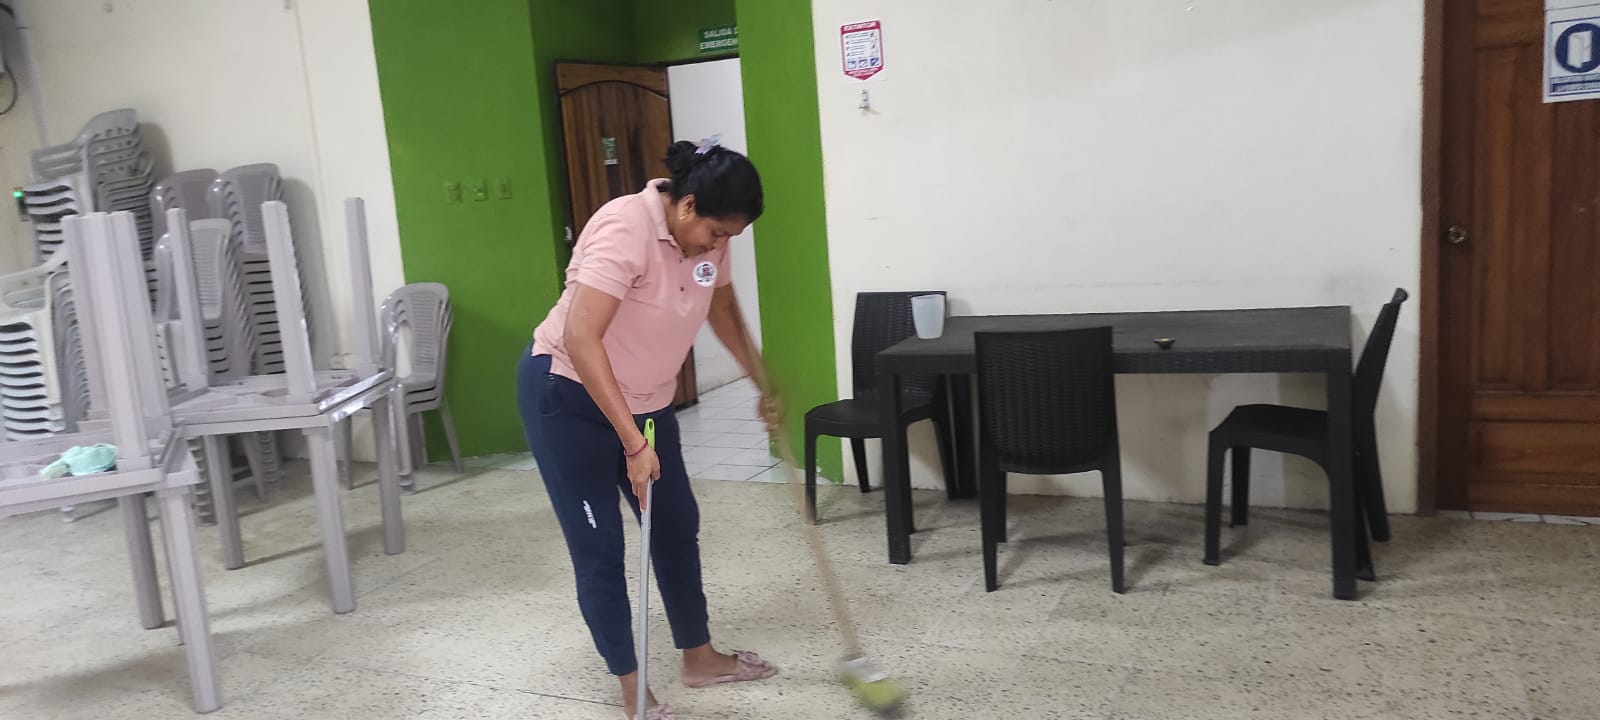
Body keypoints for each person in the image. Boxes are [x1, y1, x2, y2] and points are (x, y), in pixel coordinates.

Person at [517, 139, 779, 720]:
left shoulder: (709, 239)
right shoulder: (624, 228)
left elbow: (721, 309)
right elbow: (582, 338)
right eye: (717, 232)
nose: (720, 245)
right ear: (687, 206)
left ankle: (699, 658)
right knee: (601, 549)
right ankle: (633, 690)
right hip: (569, 398)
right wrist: (634, 443)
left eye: (731, 237)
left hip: (647, 404)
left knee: (674, 526)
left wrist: (764, 384)